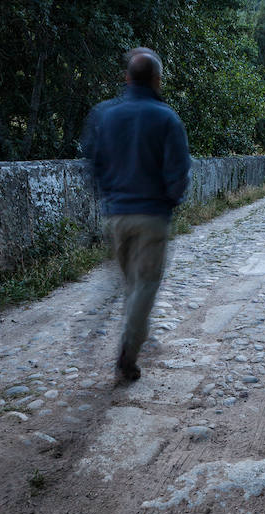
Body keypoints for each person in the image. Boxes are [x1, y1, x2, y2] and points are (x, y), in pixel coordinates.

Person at [83, 49, 191, 382]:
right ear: (157, 80)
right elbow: (179, 172)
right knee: (144, 286)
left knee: (132, 283)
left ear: (127, 78)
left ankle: (131, 337)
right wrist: (169, 201)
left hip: (116, 216)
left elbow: (92, 162)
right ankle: (128, 354)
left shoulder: (104, 115)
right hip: (152, 216)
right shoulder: (167, 118)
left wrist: (110, 196)